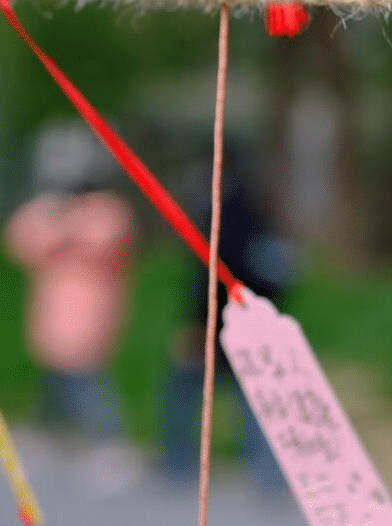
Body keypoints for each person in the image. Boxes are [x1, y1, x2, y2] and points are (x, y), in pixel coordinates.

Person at [4, 119, 142, 496]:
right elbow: (23, 239)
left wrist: (63, 228)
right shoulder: (49, 206)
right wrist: (59, 225)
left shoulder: (108, 208)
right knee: (56, 378)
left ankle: (110, 444)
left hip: (92, 308)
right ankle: (45, 434)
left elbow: (101, 239)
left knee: (87, 380)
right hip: (53, 309)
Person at [161, 139, 296, 498]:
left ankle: (176, 460)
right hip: (254, 324)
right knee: (253, 401)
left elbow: (210, 276)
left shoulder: (223, 214)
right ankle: (267, 474)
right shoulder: (257, 210)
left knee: (186, 389)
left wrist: (196, 324)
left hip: (221, 324)